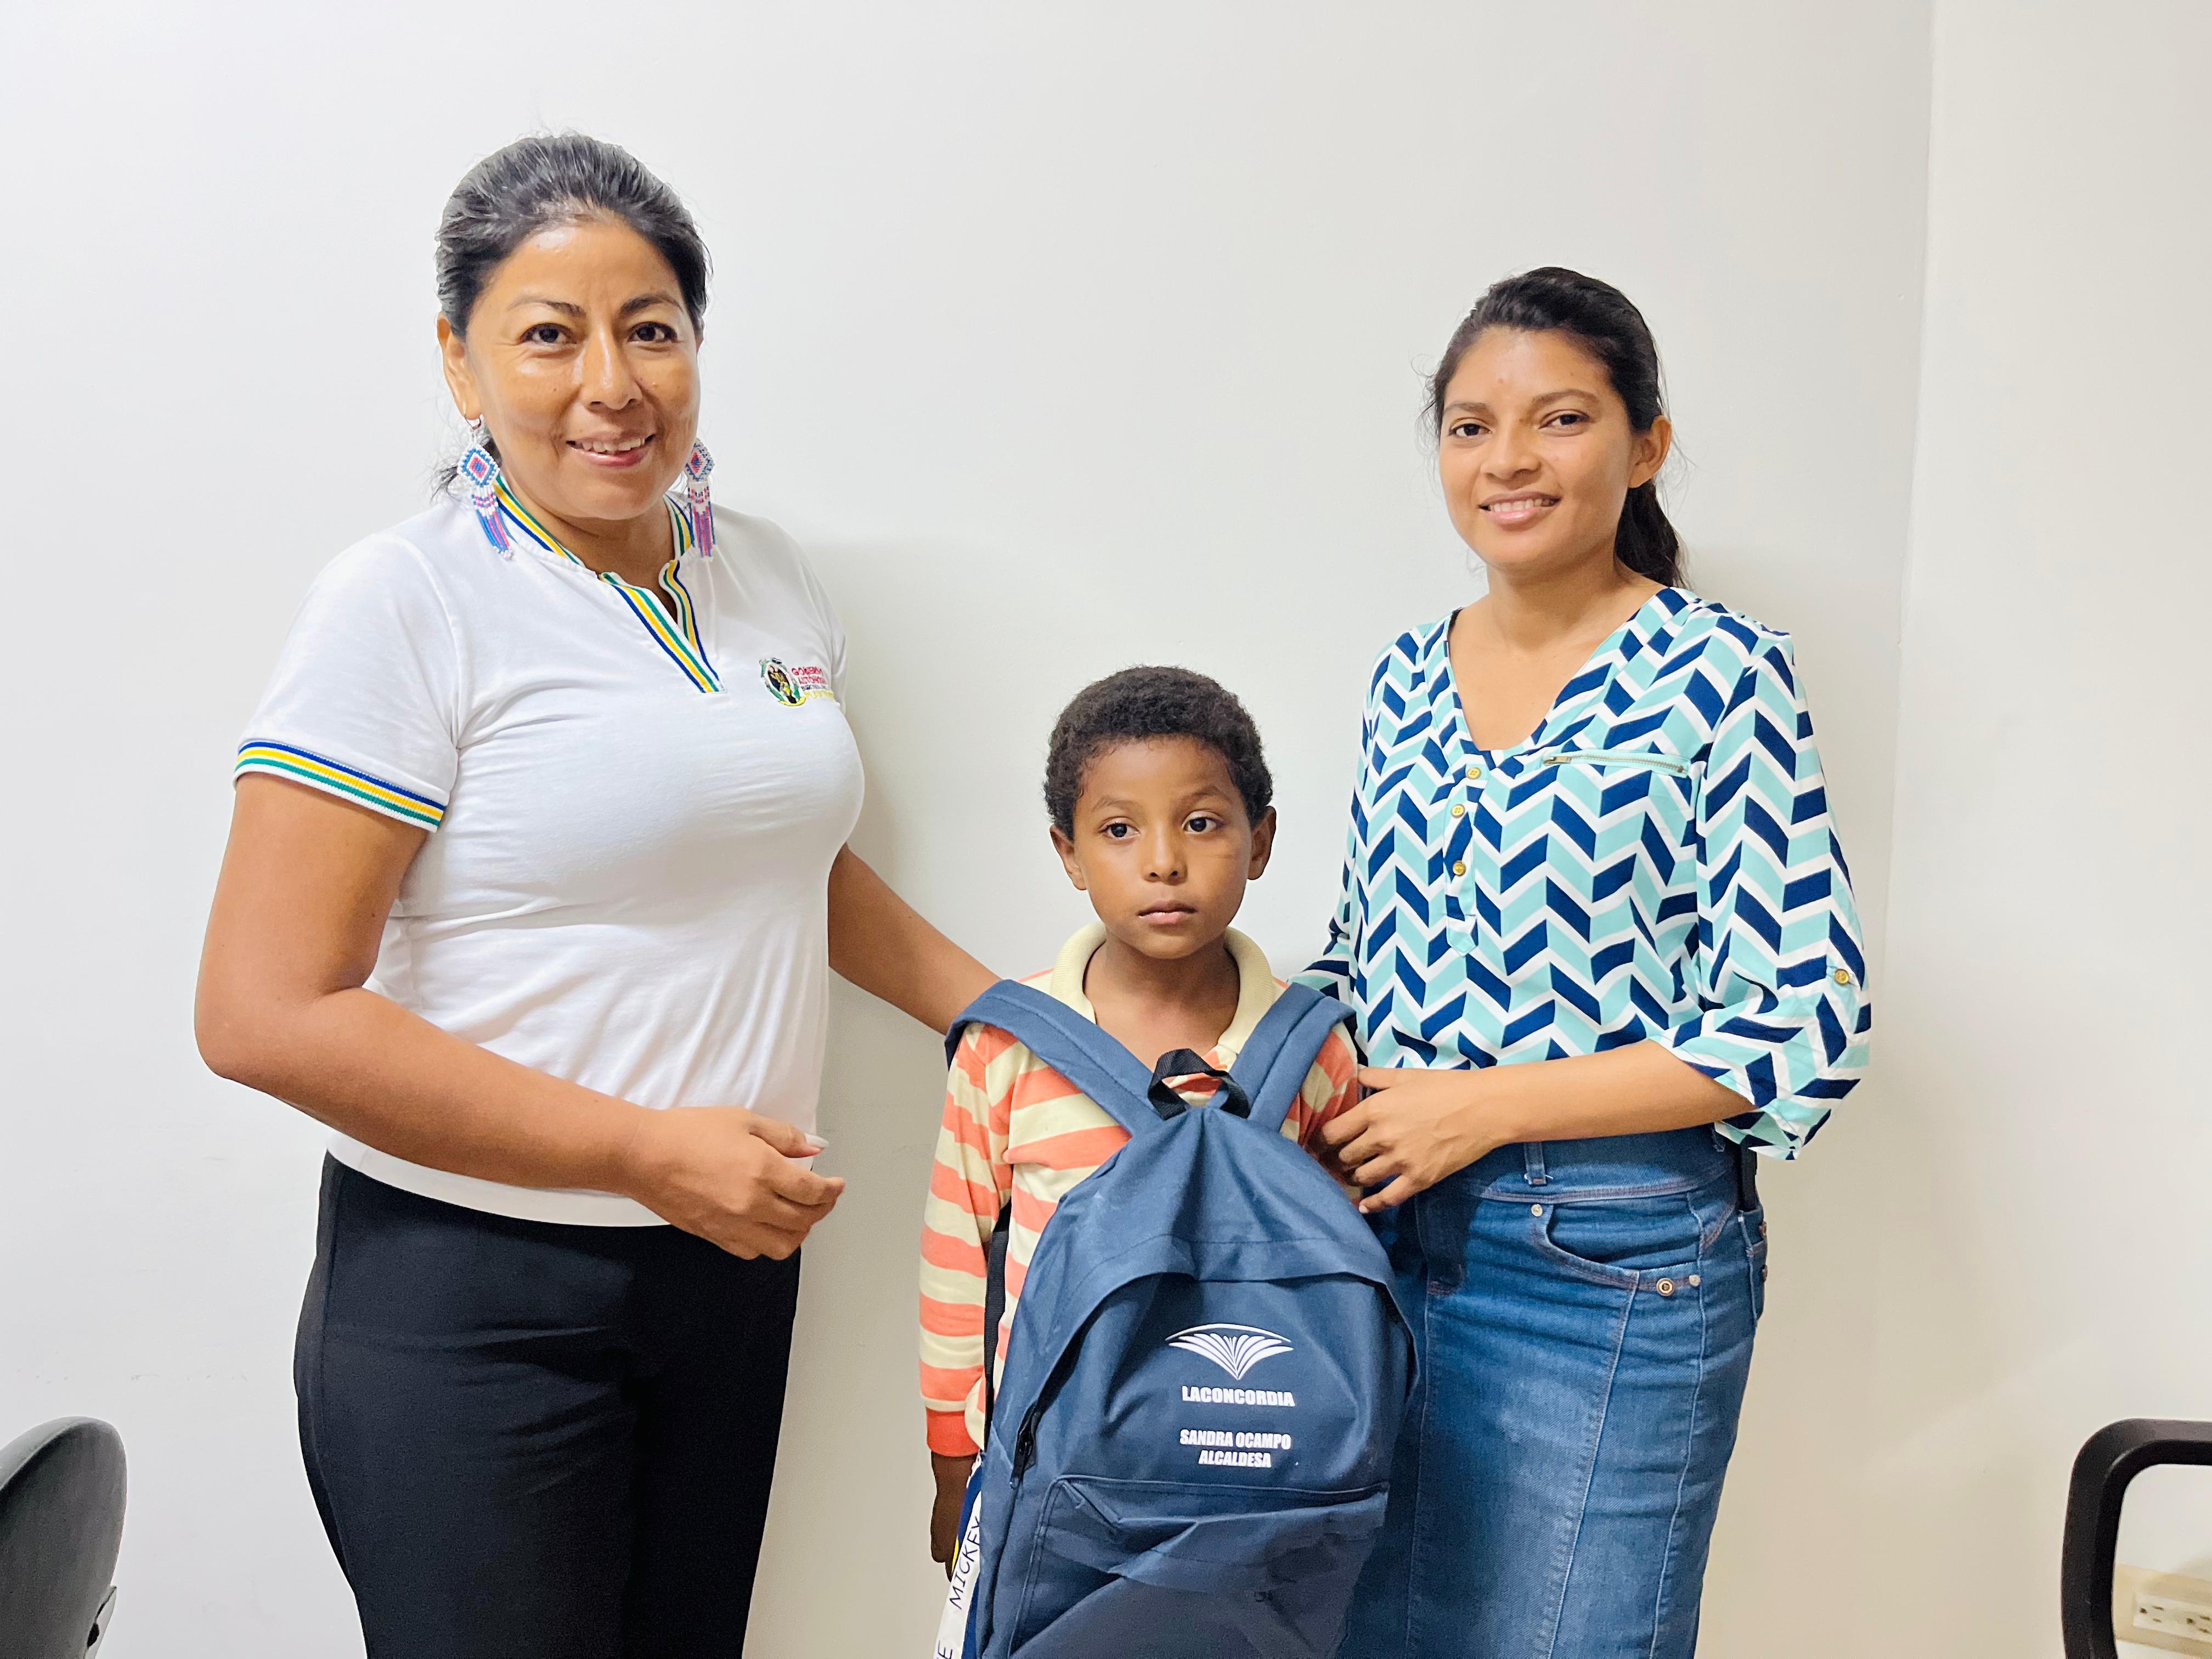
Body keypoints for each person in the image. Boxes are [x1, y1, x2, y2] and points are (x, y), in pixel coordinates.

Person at [193, 133, 992, 1659]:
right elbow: (262, 1013)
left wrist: (1011, 1019)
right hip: (472, 1298)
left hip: (727, 1272)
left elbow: (777, 860)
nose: (612, 385)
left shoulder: (766, 576)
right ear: (460, 362)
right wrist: (641, 1152)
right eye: (550, 336)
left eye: (652, 330)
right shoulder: (404, 601)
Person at [1308, 267, 1871, 1658]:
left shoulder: (1722, 672)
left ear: (1646, 445)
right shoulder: (1404, 674)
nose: (1508, 459)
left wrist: (1483, 1106)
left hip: (1609, 1259)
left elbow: (1802, 1018)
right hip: (1375, 1240)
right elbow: (1359, 955)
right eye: (1470, 426)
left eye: (1559, 419)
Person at [916, 667, 1362, 1573]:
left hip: (1259, 1470)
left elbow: (1347, 1268)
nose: (1163, 861)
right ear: (1070, 854)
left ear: (1261, 839)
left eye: (1201, 824)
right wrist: (954, 1461)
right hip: (1053, 1465)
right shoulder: (1010, 1044)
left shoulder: (1312, 1047)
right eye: (1119, 830)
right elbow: (958, 1256)